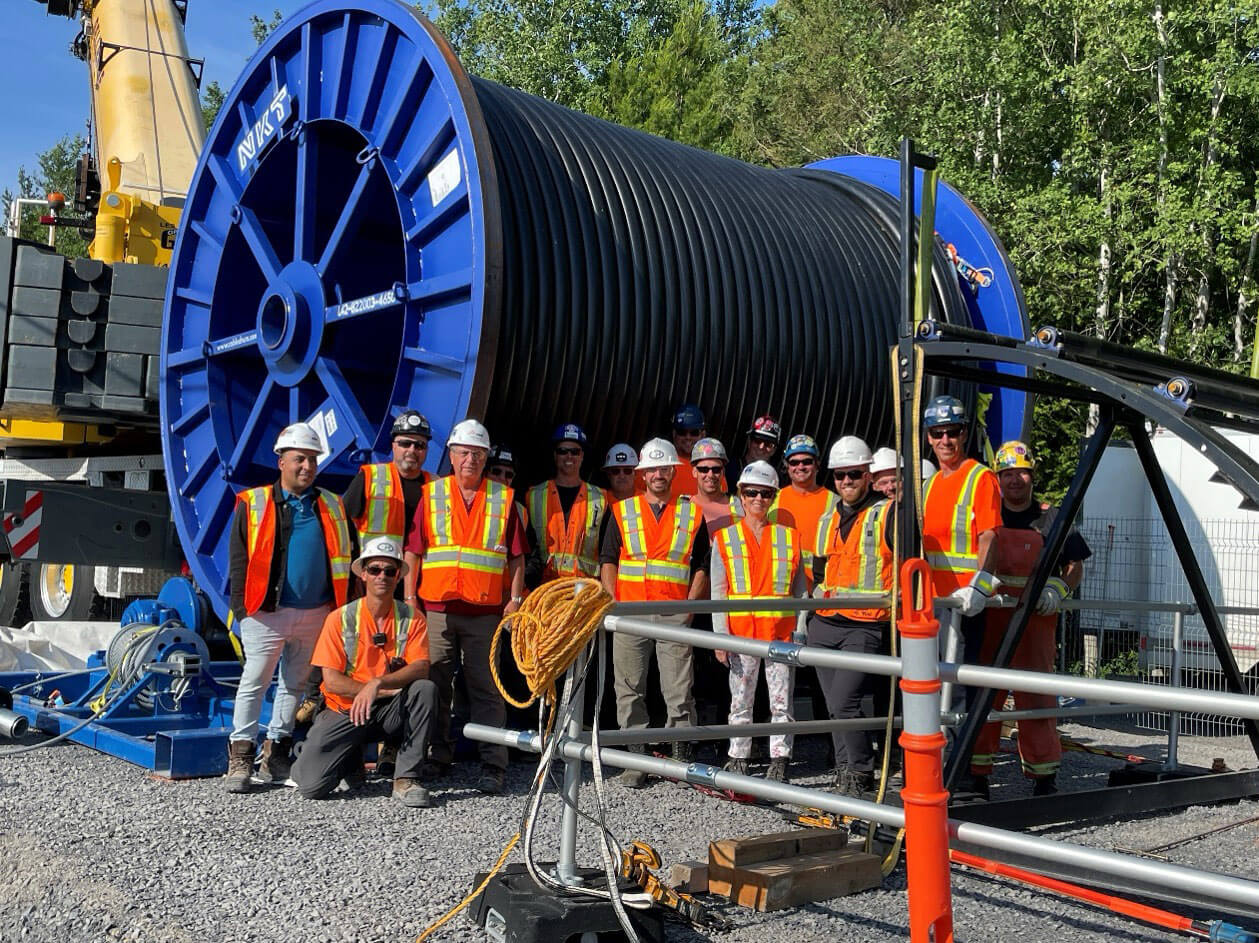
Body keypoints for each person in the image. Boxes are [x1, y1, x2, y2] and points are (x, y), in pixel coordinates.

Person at [224, 422, 354, 793]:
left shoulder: (332, 504)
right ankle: (241, 757)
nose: (307, 467)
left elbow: (348, 555)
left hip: (317, 613)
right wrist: (242, 608)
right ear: (281, 461)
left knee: (294, 685)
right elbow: (238, 559)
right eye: (300, 459)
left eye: (313, 460)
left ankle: (276, 752)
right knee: (254, 682)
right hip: (266, 612)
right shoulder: (253, 503)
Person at [402, 419, 527, 795]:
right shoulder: (433, 494)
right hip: (437, 608)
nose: (470, 459)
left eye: (477, 453)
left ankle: (493, 764)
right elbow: (414, 551)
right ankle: (439, 756)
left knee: (486, 688)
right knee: (437, 683)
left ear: (485, 457)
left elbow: (518, 558)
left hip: (485, 611)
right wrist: (410, 599)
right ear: (452, 457)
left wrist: (515, 600)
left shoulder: (503, 499)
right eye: (463, 452)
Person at [968, 441, 1090, 799]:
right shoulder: (987, 516)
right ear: (997, 479)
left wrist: (1057, 589)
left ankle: (1044, 779)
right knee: (984, 698)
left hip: (1036, 624)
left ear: (1032, 476)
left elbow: (1076, 565)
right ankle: (976, 775)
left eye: (1021, 472)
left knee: (1036, 701)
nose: (1014, 480)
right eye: (1007, 474)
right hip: (990, 622)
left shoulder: (1053, 517)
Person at [293, 537, 438, 807]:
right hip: (345, 710)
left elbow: (421, 667)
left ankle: (405, 778)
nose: (382, 576)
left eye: (390, 571)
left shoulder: (412, 618)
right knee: (311, 787)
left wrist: (377, 684)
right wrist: (370, 689)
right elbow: (332, 682)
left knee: (424, 690)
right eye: (375, 570)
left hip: (388, 710)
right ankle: (350, 759)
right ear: (363, 575)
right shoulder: (340, 618)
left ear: (398, 577)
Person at [600, 437, 710, 786]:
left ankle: (680, 757)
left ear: (672, 473)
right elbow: (608, 561)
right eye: (653, 469)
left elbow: (702, 566)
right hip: (629, 612)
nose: (659, 474)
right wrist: (611, 604)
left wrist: (690, 608)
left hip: (674, 612)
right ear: (642, 474)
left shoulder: (692, 513)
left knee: (678, 689)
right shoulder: (621, 511)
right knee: (629, 689)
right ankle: (637, 759)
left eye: (665, 469)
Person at [808, 436, 895, 796]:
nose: (847, 481)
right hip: (826, 623)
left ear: (868, 475)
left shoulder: (889, 513)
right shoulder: (827, 518)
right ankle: (846, 770)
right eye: (840, 475)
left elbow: (908, 564)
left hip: (866, 624)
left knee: (846, 702)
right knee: (835, 705)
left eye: (854, 474)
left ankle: (861, 773)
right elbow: (818, 572)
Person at [712, 461, 805, 782]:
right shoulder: (724, 539)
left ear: (773, 498)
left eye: (765, 494)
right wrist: (719, 638)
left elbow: (801, 592)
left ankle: (779, 758)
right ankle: (739, 756)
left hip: (780, 635)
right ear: (740, 495)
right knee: (740, 701)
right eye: (751, 492)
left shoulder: (790, 538)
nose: (758, 499)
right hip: (740, 636)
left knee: (781, 702)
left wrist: (801, 633)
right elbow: (718, 593)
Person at [920, 396, 1002, 668]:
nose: (945, 440)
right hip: (932, 602)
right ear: (929, 438)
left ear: (964, 433)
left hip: (964, 603)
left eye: (952, 431)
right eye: (937, 433)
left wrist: (980, 586)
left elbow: (989, 536)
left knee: (957, 690)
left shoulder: (980, 477)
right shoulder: (929, 485)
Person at [526, 424, 608, 581]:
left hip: (583, 590)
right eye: (562, 451)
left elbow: (607, 551)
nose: (569, 456)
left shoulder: (601, 498)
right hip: (542, 588)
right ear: (555, 455)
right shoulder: (534, 496)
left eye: (575, 452)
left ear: (582, 455)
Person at [342, 410, 432, 547]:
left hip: (419, 567)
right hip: (377, 566)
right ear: (394, 446)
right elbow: (342, 525)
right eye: (405, 444)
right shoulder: (369, 478)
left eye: (420, 445)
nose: (412, 450)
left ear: (426, 450)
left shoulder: (436, 485)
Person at [769, 434, 837, 579]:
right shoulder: (773, 499)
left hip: (818, 586)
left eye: (807, 461)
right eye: (794, 462)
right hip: (780, 582)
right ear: (787, 466)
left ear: (817, 464)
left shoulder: (835, 502)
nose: (800, 466)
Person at [690, 437, 742, 536]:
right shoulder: (679, 507)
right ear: (694, 472)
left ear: (723, 472)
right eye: (704, 469)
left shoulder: (739, 507)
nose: (710, 475)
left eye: (716, 469)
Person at [728, 414, 782, 492]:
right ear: (749, 442)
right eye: (757, 441)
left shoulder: (778, 477)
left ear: (774, 450)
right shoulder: (731, 468)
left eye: (768, 444)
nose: (761, 447)